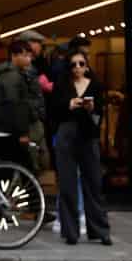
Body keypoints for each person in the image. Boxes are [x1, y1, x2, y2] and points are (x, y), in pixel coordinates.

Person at [47, 46, 113, 247]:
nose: (77, 68)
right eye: (73, 64)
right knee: (67, 184)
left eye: (81, 64)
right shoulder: (62, 84)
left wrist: (92, 108)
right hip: (66, 135)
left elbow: (100, 114)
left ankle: (100, 231)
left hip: (88, 136)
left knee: (93, 183)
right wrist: (69, 105)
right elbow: (53, 112)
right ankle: (71, 232)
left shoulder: (96, 86)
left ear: (87, 66)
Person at [0, 38, 39, 167]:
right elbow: (15, 105)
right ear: (14, 55)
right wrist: (22, 133)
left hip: (7, 129)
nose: (28, 59)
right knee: (18, 168)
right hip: (9, 131)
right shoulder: (12, 76)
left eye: (30, 56)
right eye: (25, 55)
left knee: (12, 168)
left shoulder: (14, 74)